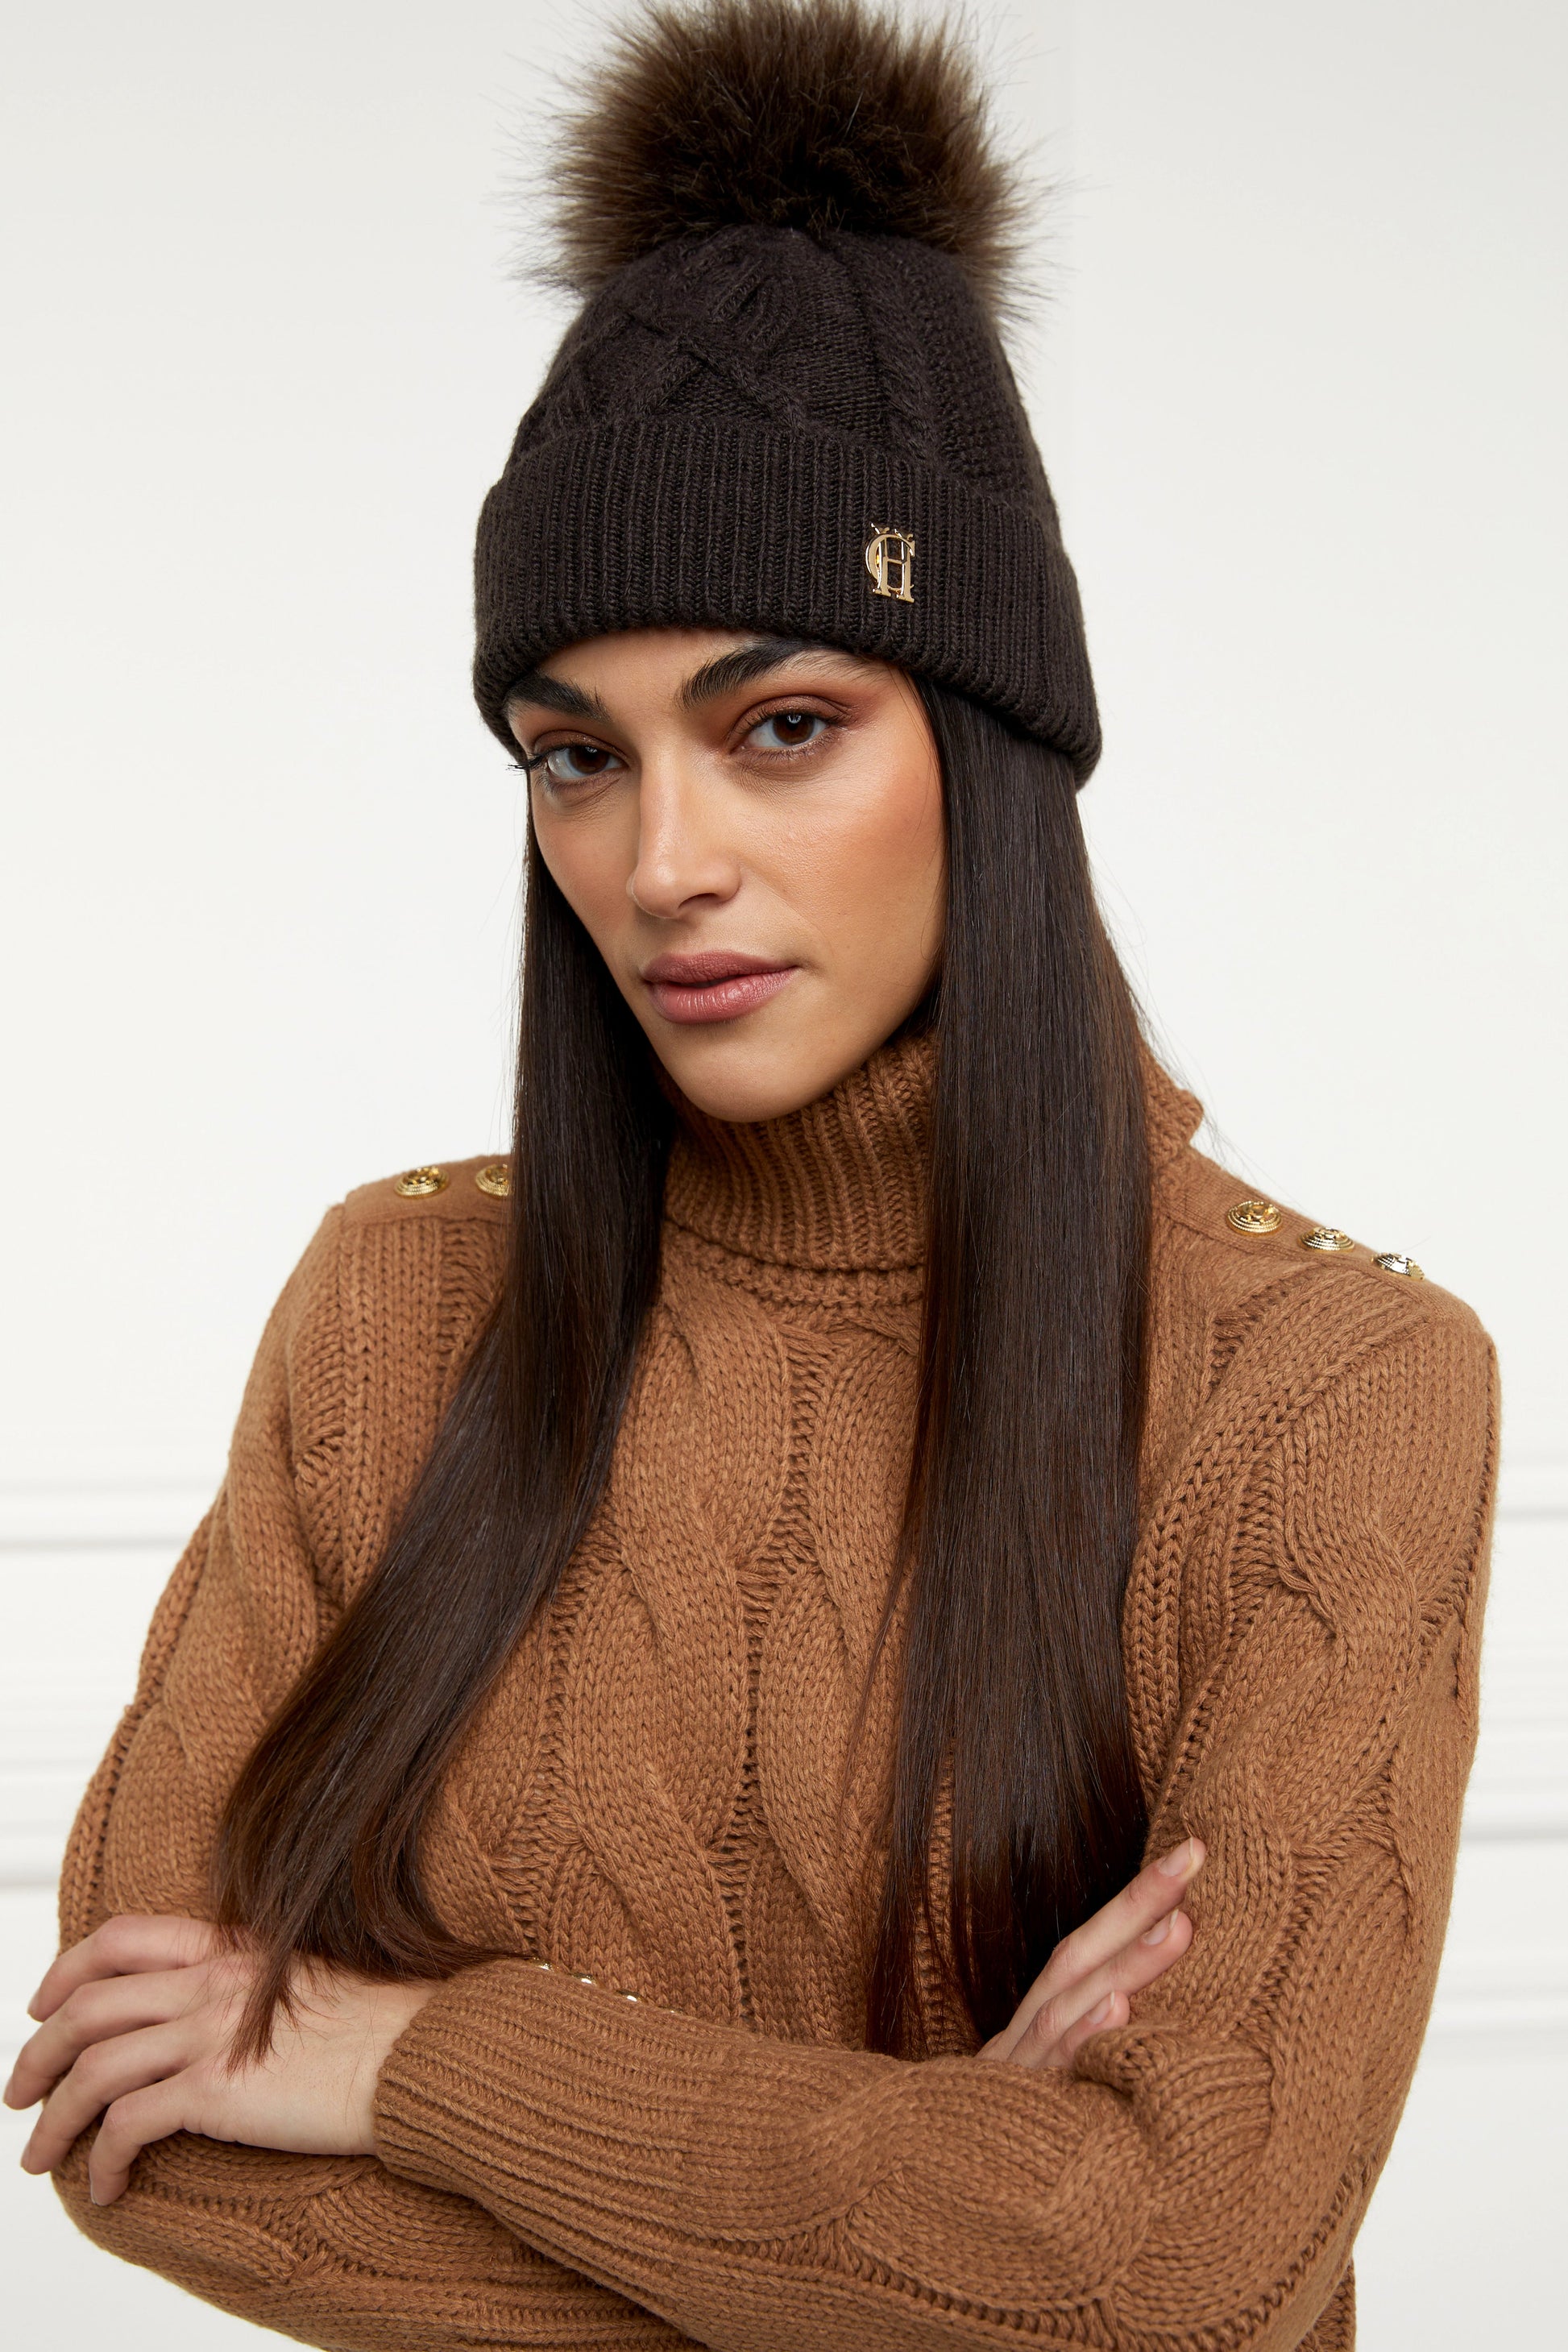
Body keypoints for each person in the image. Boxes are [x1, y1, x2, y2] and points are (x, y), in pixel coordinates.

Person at [5, 3, 1497, 2346]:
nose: (660, 860)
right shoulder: (397, 1309)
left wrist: (417, 2062)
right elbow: (142, 2131)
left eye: (781, 725)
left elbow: (1176, 2268)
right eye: (573, 755)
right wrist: (947, 2215)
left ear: (988, 744)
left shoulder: (1328, 1388)